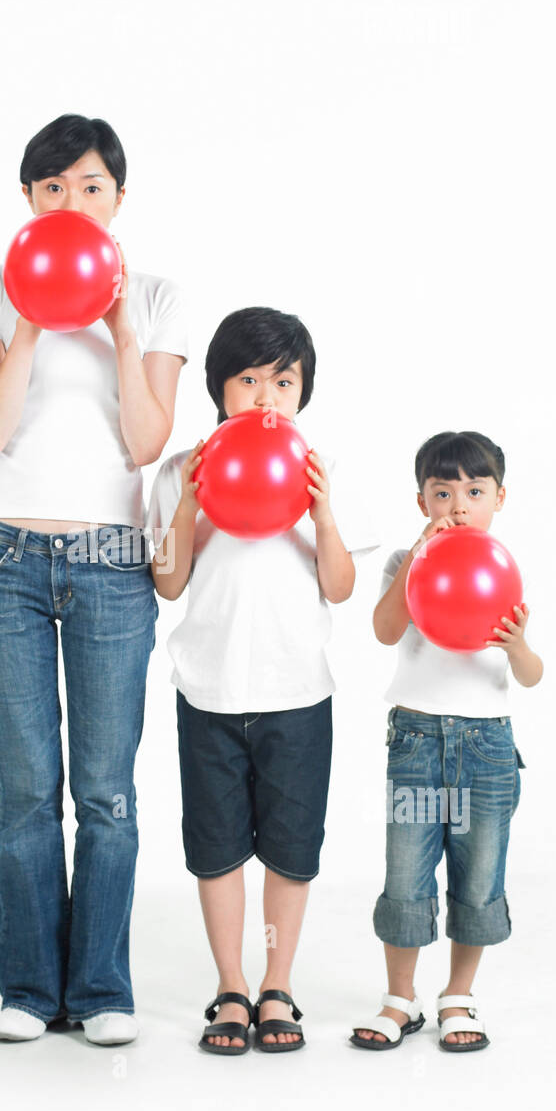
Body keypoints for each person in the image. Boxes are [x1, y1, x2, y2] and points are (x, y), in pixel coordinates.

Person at [0, 113, 187, 1045]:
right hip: (6, 559)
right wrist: (26, 327)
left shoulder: (161, 296)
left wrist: (121, 330)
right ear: (28, 199)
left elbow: (144, 442)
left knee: (104, 790)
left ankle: (99, 990)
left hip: (109, 565)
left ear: (118, 200)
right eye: (53, 187)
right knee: (25, 789)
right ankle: (26, 990)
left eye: (90, 187)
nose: (71, 202)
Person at [146, 307, 379, 1054]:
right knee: (215, 850)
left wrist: (321, 513)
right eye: (249, 381)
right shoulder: (182, 468)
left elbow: (340, 588)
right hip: (208, 690)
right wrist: (191, 499)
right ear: (219, 388)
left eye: (283, 380)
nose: (266, 397)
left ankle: (277, 983)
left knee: (288, 848)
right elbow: (170, 583)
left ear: (303, 388)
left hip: (297, 692)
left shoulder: (321, 468)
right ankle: (230, 987)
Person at [351, 430, 541, 1053]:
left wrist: (516, 646)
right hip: (417, 739)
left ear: (499, 498)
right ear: (421, 501)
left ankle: (458, 995)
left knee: (478, 871)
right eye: (442, 492)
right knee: (407, 872)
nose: (458, 505)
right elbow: (383, 632)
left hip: (486, 746)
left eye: (474, 491)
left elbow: (532, 673)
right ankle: (399, 999)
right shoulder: (406, 562)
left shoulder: (501, 570)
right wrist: (413, 563)